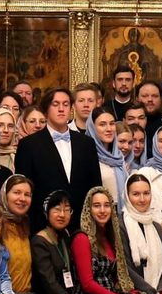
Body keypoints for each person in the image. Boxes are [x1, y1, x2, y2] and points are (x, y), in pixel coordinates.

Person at [13, 89, 104, 229]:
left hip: (82, 225)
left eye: (66, 104)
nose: (61, 109)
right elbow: (26, 189)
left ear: (71, 108)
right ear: (46, 110)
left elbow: (95, 187)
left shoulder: (86, 143)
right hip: (43, 226)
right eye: (55, 104)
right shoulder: (29, 145)